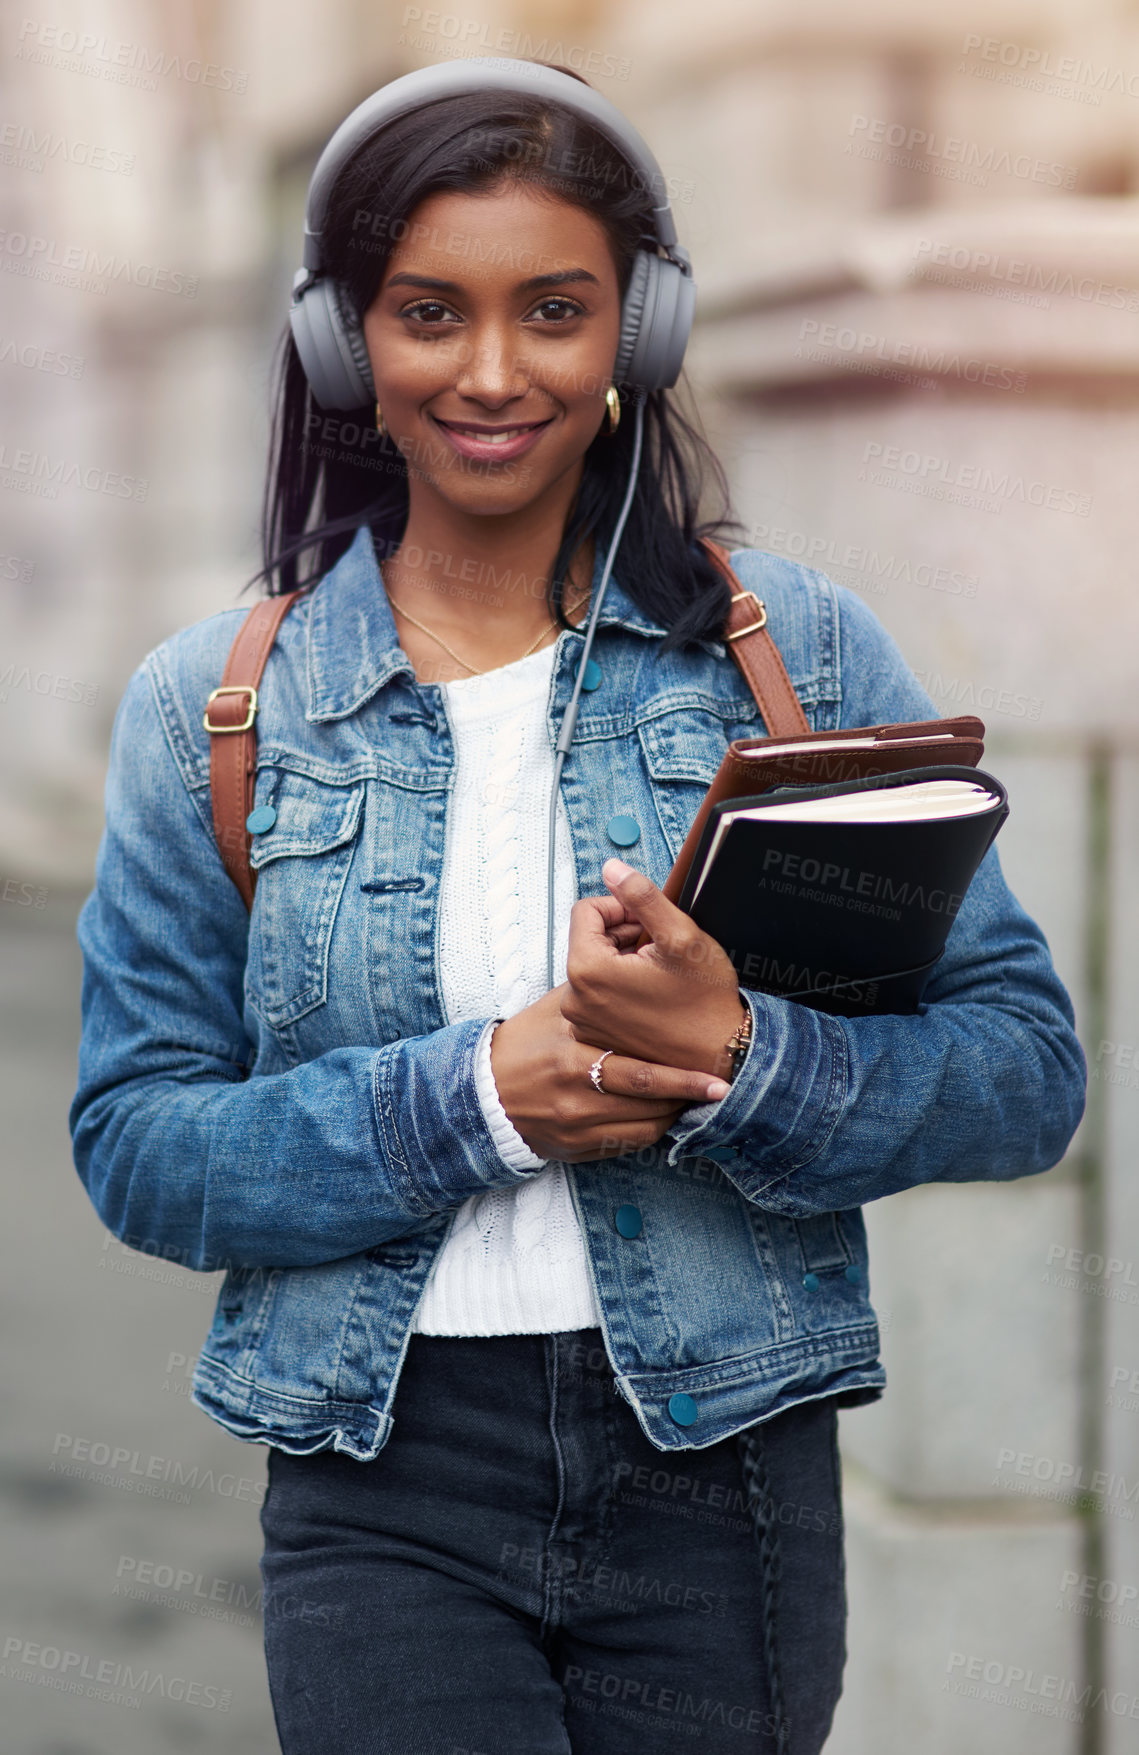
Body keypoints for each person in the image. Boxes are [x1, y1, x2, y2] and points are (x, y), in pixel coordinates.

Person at [69, 58, 1086, 1755]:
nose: (489, 372)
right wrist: (478, 1102)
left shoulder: (797, 656)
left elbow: (1022, 1070)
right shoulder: (215, 710)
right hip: (378, 1469)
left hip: (724, 1463)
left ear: (641, 332)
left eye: (554, 310)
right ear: (342, 343)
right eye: (426, 313)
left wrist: (741, 1059)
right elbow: (141, 1145)